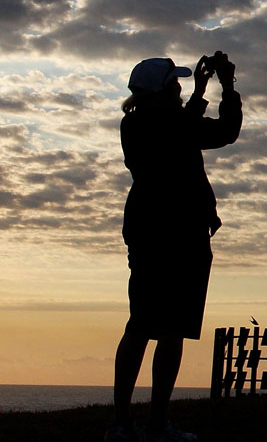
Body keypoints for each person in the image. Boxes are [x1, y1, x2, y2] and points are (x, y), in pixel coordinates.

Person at [106, 53, 241, 442]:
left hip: (169, 233)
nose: (180, 90)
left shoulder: (153, 122)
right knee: (152, 327)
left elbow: (215, 132)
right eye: (175, 85)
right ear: (163, 90)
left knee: (162, 328)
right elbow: (197, 132)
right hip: (169, 234)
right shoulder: (146, 124)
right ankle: (136, 423)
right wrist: (212, 90)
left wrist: (217, 89)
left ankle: (140, 423)